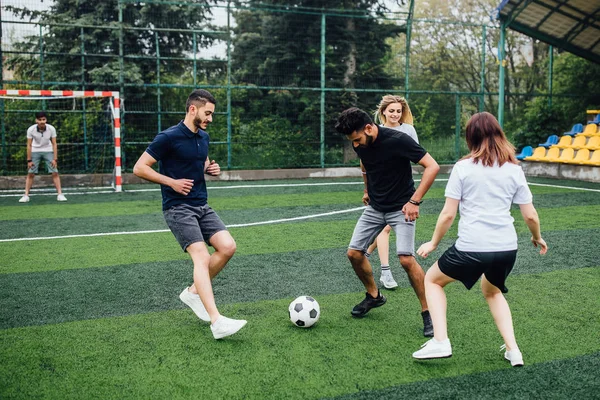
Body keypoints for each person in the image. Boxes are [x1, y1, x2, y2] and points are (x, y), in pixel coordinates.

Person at [412, 112, 548, 366]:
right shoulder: (514, 169)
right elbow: (530, 215)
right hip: (507, 248)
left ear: (470, 138)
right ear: (499, 134)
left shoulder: (463, 168)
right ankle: (513, 350)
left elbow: (448, 214)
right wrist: (537, 237)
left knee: (432, 280)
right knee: (493, 292)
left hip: (472, 247)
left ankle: (440, 341)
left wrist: (432, 243)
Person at [133, 89, 247, 340]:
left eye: (212, 114)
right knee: (201, 256)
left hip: (202, 205)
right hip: (177, 207)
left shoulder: (203, 137)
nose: (211, 118)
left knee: (227, 247)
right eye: (208, 113)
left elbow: (201, 161)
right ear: (192, 109)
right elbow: (139, 168)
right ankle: (217, 321)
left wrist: (210, 167)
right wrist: (171, 182)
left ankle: (193, 292)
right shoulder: (168, 137)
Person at [334, 107, 440, 337]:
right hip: (375, 207)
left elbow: (432, 167)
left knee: (406, 259)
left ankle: (428, 312)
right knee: (353, 254)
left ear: (370, 128)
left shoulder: (398, 140)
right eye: (353, 141)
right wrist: (366, 189)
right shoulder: (360, 144)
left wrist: (415, 201)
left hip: (401, 207)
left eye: (358, 139)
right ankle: (374, 296)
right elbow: (364, 165)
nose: (356, 145)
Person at [366, 95, 419, 290]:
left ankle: (367, 252)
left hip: (403, 188)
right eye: (391, 111)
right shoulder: (375, 131)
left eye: (398, 111)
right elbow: (367, 160)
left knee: (385, 227)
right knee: (386, 228)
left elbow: (417, 155)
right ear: (383, 112)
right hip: (381, 188)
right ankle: (385, 272)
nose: (395, 114)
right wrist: (367, 189)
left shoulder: (408, 130)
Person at [19, 111, 67, 203]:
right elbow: (29, 145)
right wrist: (29, 160)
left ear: (46, 120)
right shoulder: (31, 129)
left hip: (48, 150)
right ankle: (26, 195)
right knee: (31, 173)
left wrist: (55, 159)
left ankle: (60, 194)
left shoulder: (51, 129)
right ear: (36, 120)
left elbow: (54, 143)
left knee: (55, 172)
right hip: (35, 150)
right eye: (40, 120)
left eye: (44, 119)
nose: (42, 121)